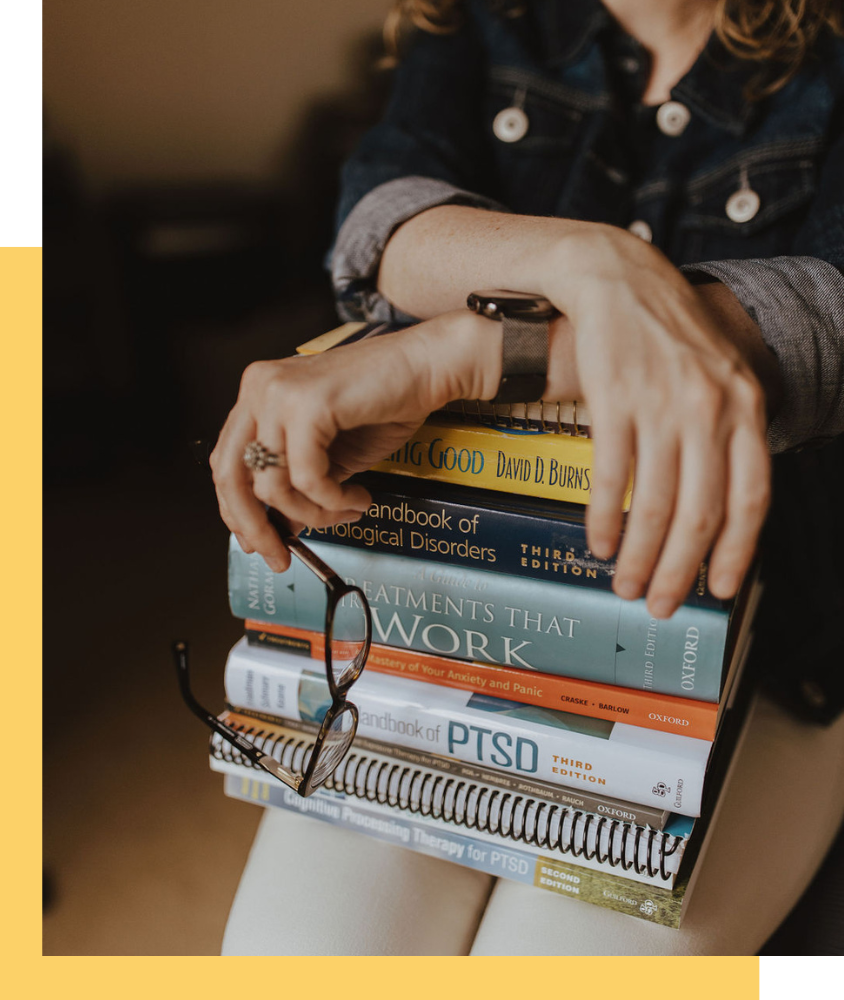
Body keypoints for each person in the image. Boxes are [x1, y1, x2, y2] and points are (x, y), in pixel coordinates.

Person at [212, 0, 844, 954]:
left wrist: (476, 349)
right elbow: (385, 215)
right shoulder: (475, 18)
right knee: (293, 954)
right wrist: (586, 261)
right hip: (453, 624)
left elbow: (833, 313)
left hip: (780, 620)